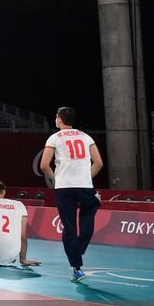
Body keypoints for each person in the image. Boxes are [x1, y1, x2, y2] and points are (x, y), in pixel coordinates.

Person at [40, 106, 104, 283]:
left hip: (64, 188)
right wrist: (86, 177)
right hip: (84, 186)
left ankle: (77, 267)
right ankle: (78, 249)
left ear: (59, 119)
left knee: (69, 227)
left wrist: (55, 179)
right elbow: (98, 163)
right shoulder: (86, 137)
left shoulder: (54, 138)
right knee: (91, 208)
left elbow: (44, 165)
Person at [0, 182, 42, 270]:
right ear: (4, 192)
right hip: (10, 259)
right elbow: (23, 236)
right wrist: (23, 259)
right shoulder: (20, 205)